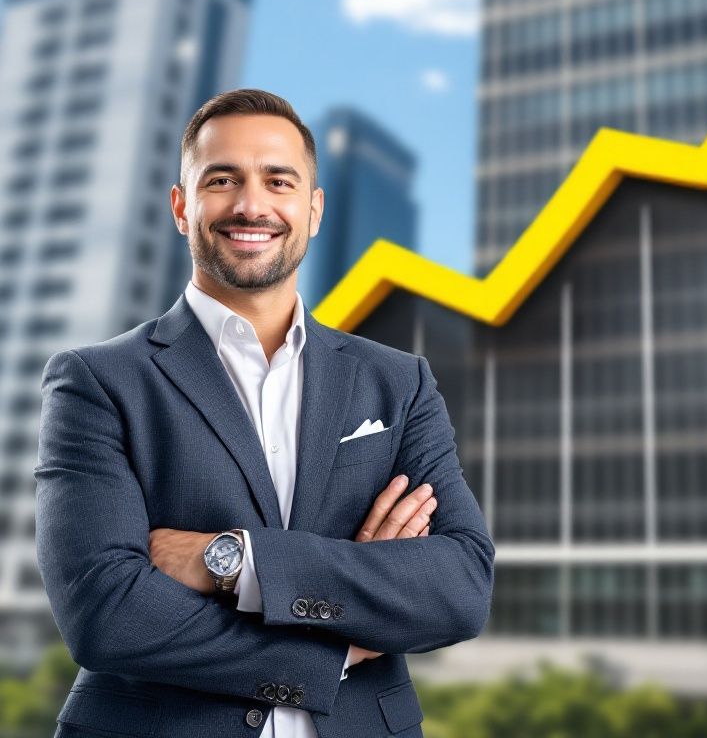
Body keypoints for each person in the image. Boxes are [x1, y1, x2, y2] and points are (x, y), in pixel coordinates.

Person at [35, 88, 494, 737]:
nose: (251, 205)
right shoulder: (98, 381)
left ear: (313, 210)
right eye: (222, 180)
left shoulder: (398, 382)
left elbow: (459, 586)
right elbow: (106, 612)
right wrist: (335, 643)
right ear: (181, 206)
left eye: (278, 181)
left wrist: (234, 562)